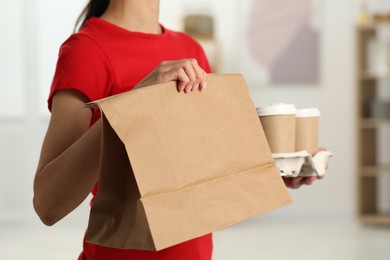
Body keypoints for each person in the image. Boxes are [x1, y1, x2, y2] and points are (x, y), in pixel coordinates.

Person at [33, 0, 320, 259]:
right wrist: (133, 105)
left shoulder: (190, 49)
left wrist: (278, 172)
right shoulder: (86, 50)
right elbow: (48, 206)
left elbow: (206, 171)